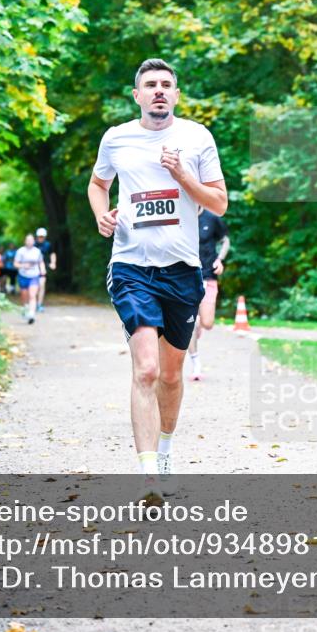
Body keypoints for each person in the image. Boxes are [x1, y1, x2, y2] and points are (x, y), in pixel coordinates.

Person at [87, 58, 227, 501]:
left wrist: (182, 175)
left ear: (177, 95)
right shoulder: (116, 138)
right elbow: (97, 184)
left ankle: (165, 450)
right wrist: (101, 216)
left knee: (170, 374)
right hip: (131, 267)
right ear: (137, 95)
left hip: (183, 270)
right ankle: (148, 476)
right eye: (150, 85)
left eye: (167, 84)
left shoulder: (197, 137)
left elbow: (219, 203)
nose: (159, 91)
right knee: (145, 368)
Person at [188, 208, 229, 380]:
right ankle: (196, 366)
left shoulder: (211, 218)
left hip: (208, 276)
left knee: (207, 322)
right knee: (189, 323)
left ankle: (198, 324)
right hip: (186, 278)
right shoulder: (181, 215)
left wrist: (220, 259)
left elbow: (225, 240)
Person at [14, 233, 46, 324]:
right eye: (28, 240)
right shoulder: (20, 251)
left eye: (31, 240)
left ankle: (31, 314)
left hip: (34, 276)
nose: (29, 242)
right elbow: (15, 264)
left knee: (32, 295)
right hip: (23, 276)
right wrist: (23, 265)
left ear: (33, 241)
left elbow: (41, 262)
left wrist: (42, 271)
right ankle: (25, 307)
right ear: (25, 241)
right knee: (24, 296)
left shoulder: (37, 251)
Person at [35, 227, 57, 312]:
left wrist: (53, 263)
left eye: (42, 236)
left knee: (41, 285)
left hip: (44, 267)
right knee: (35, 286)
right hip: (34, 268)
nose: (41, 238)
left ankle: (39, 304)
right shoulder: (34, 245)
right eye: (39, 236)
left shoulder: (48, 245)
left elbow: (52, 254)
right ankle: (34, 302)